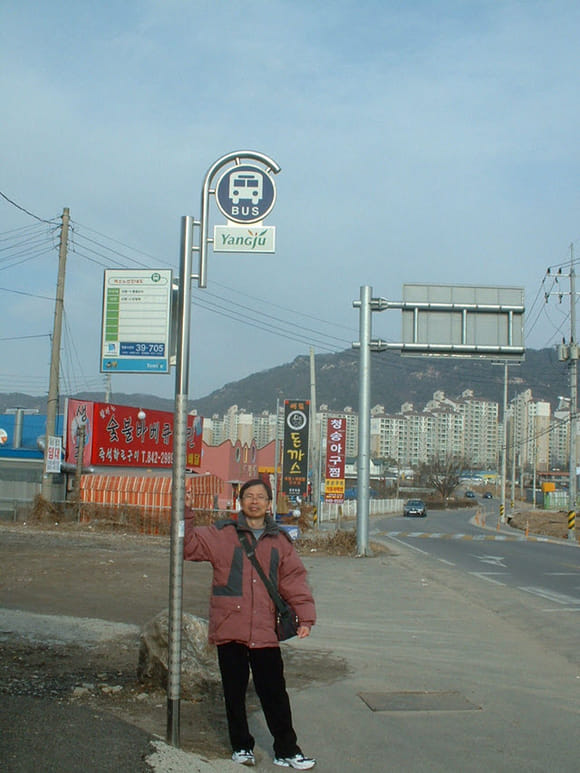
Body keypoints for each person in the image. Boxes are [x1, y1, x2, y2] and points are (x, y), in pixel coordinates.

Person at [183, 478, 316, 770]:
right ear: (239, 501)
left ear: (270, 504)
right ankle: (241, 746)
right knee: (234, 691)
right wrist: (185, 510)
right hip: (230, 627)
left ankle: (286, 749)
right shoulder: (221, 534)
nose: (254, 501)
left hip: (265, 630)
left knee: (274, 692)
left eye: (260, 497)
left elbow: (293, 580)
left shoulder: (280, 541)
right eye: (248, 496)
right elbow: (187, 546)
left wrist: (305, 616)